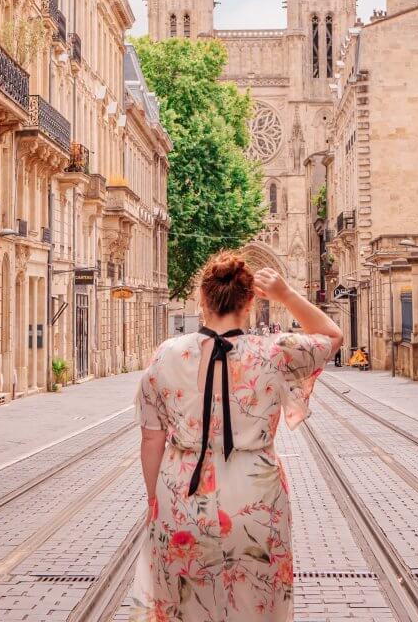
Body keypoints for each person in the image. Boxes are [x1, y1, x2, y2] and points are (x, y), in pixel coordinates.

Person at [130, 253, 343, 621]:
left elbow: (152, 441)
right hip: (256, 500)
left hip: (181, 498)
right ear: (250, 303)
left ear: (201, 299)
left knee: (183, 606)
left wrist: (155, 499)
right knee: (256, 603)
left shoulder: (166, 356)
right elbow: (331, 335)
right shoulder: (273, 352)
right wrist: (287, 294)